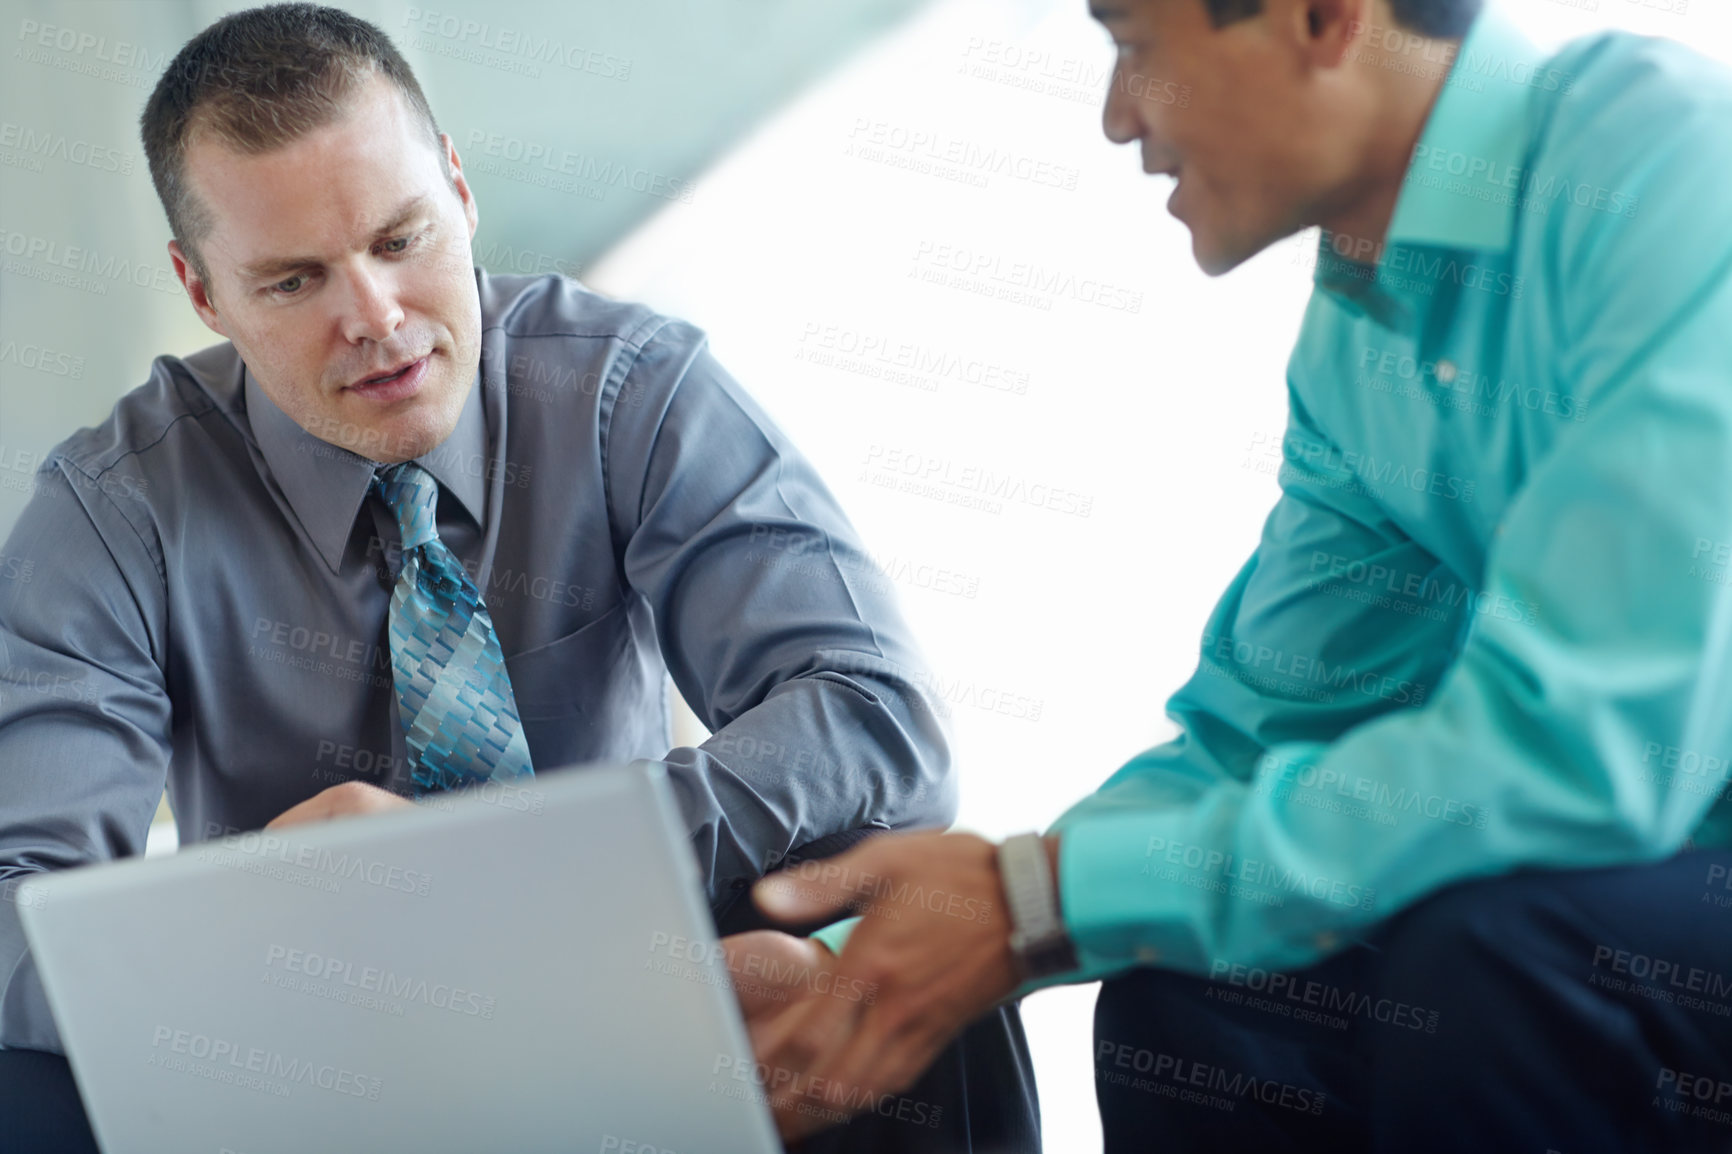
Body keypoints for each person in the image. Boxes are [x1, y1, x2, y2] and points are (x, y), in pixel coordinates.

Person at [0, 5, 1037, 1152]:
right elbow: (12, 908)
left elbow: (873, 718)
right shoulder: (113, 510)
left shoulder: (625, 388)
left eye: (400, 240)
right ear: (203, 294)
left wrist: (525, 889)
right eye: (295, 281)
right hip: (319, 1046)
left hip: (652, 981)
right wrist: (262, 921)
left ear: (457, 185)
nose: (376, 320)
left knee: (915, 913)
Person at [742, 0, 1732, 1149]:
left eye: (1135, 46)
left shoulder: (1667, 163)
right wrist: (847, 963)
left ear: (1322, 17)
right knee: (1199, 997)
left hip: (1656, 874)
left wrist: (1041, 899)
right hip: (1650, 884)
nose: (1118, 118)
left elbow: (1583, 748)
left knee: (1508, 950)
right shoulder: (1358, 339)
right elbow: (1256, 739)